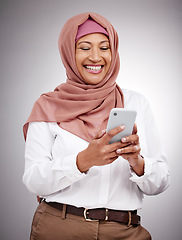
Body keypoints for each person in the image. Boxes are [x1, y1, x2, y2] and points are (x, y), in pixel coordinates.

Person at [22, 12, 170, 240]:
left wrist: (137, 162)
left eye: (104, 47)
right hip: (59, 228)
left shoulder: (136, 102)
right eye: (84, 47)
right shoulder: (47, 105)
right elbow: (33, 180)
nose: (95, 57)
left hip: (124, 231)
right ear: (68, 52)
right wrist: (84, 160)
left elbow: (160, 183)